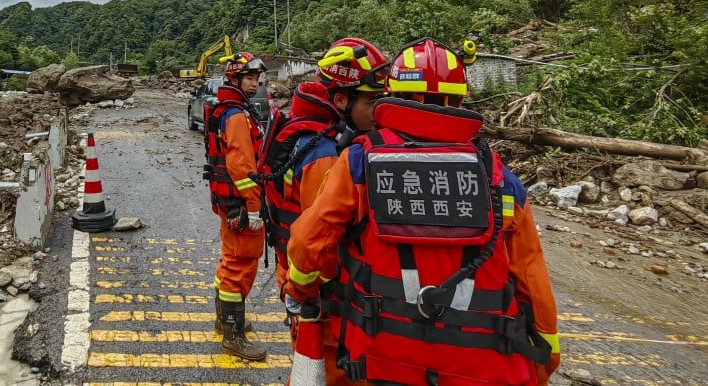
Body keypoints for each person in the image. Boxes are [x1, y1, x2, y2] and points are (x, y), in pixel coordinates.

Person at [286, 37, 560, 386]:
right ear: (461, 98)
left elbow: (307, 244)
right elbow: (533, 287)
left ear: (392, 95)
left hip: (376, 362)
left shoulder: (359, 162)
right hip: (480, 370)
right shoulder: (499, 179)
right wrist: (541, 362)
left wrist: (300, 291)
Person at [259, 37, 388, 385]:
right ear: (342, 99)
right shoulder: (326, 152)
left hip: (300, 283)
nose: (380, 112)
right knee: (322, 374)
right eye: (373, 101)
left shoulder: (305, 131)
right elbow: (318, 243)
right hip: (324, 301)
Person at [202, 51, 269, 360]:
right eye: (250, 78)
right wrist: (254, 207)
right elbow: (242, 166)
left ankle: (224, 320)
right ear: (235, 79)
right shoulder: (237, 116)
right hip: (241, 205)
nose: (255, 83)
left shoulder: (224, 109)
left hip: (227, 202)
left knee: (229, 260)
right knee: (240, 264)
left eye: (257, 78)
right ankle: (233, 336)